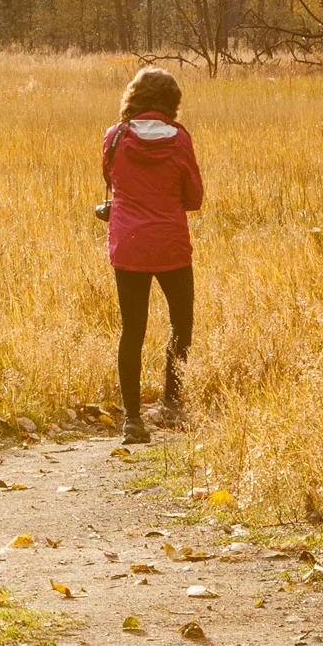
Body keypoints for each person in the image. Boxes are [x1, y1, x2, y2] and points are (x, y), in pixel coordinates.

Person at [101, 64, 202, 444]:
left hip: (128, 245)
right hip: (171, 244)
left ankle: (132, 421)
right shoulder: (179, 139)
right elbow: (194, 197)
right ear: (172, 103)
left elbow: (111, 181)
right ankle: (172, 404)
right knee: (181, 323)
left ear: (133, 98)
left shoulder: (115, 137)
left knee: (132, 329)